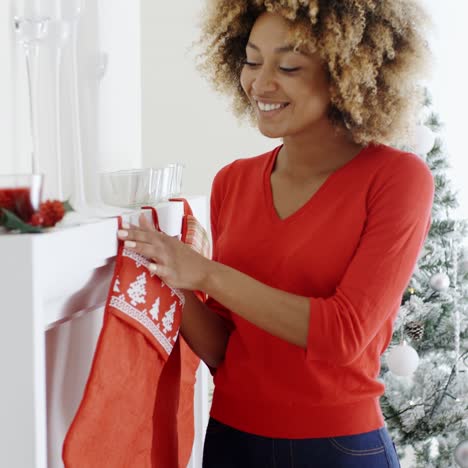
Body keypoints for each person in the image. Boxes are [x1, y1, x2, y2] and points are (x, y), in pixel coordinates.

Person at [117, 1, 434, 466]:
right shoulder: (233, 181)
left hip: (339, 449)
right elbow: (225, 348)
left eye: (288, 66)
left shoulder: (397, 178)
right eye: (250, 60)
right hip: (232, 441)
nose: (260, 83)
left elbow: (345, 334)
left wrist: (206, 275)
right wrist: (168, 275)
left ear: (345, 71)